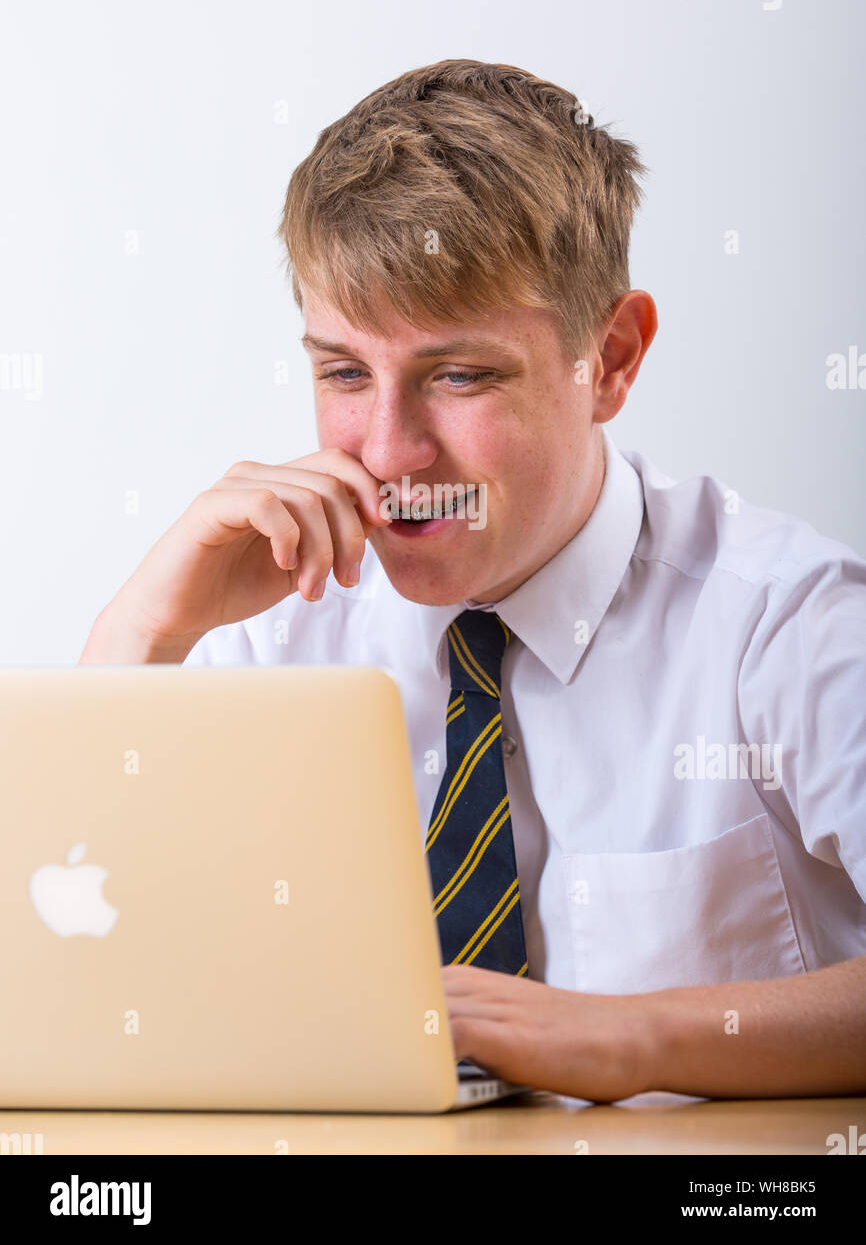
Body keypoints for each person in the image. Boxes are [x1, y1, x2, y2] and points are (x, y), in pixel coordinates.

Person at [79, 58, 866, 1103]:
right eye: (344, 373)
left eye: (459, 375)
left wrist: (635, 1038)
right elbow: (78, 974)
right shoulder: (271, 631)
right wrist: (140, 636)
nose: (391, 452)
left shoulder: (785, 623)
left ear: (612, 359)